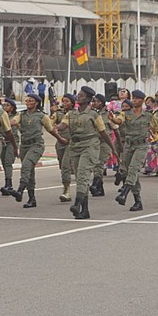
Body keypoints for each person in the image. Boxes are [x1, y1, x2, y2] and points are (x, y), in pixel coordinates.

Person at [55, 86, 116, 219]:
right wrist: (53, 126)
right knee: (80, 179)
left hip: (90, 147)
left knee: (82, 175)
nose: (78, 97)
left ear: (88, 99)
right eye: (79, 95)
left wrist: (114, 149)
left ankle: (77, 204)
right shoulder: (71, 113)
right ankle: (85, 210)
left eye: (82, 95)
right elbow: (63, 125)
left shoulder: (94, 114)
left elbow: (103, 133)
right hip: (75, 146)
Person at [7, 93, 67, 208]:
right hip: (24, 145)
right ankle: (31, 198)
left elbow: (50, 130)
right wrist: (5, 123)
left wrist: (60, 139)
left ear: (37, 103)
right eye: (27, 100)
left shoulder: (41, 116)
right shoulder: (22, 114)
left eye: (31, 101)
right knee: (30, 171)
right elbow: (14, 121)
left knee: (26, 165)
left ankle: (20, 190)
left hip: (36, 145)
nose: (28, 102)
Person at [114, 90, 158, 211]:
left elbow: (157, 129)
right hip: (128, 145)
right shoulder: (126, 113)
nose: (134, 100)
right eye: (133, 98)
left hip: (141, 146)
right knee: (129, 172)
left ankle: (124, 193)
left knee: (134, 168)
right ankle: (138, 201)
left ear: (142, 101)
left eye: (137, 99)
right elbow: (119, 121)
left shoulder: (148, 115)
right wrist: (113, 119)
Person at [50, 93, 76, 202]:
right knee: (62, 166)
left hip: (72, 143)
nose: (65, 103)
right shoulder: (58, 114)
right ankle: (72, 170)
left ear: (72, 103)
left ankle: (67, 191)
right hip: (60, 143)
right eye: (63, 101)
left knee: (65, 166)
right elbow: (50, 124)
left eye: (67, 101)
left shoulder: (76, 114)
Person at [0, 98, 20, 196]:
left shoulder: (16, 116)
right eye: (4, 105)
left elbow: (19, 126)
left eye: (7, 105)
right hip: (3, 141)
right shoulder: (0, 116)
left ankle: (9, 184)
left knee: (8, 162)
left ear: (12, 108)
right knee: (3, 162)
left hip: (12, 141)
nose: (5, 107)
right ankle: (7, 183)